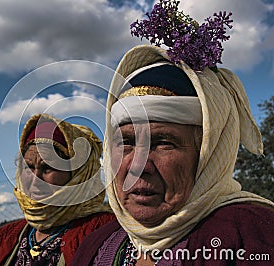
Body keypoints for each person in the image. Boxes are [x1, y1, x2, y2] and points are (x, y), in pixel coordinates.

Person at [71, 15, 274, 266]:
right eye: (126, 142)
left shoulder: (254, 237)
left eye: (162, 143)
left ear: (207, 155)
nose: (138, 165)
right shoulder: (96, 245)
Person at [0, 113, 114, 266]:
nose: (35, 178)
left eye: (48, 168)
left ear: (78, 175)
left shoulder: (104, 231)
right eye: (29, 167)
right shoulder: (5, 237)